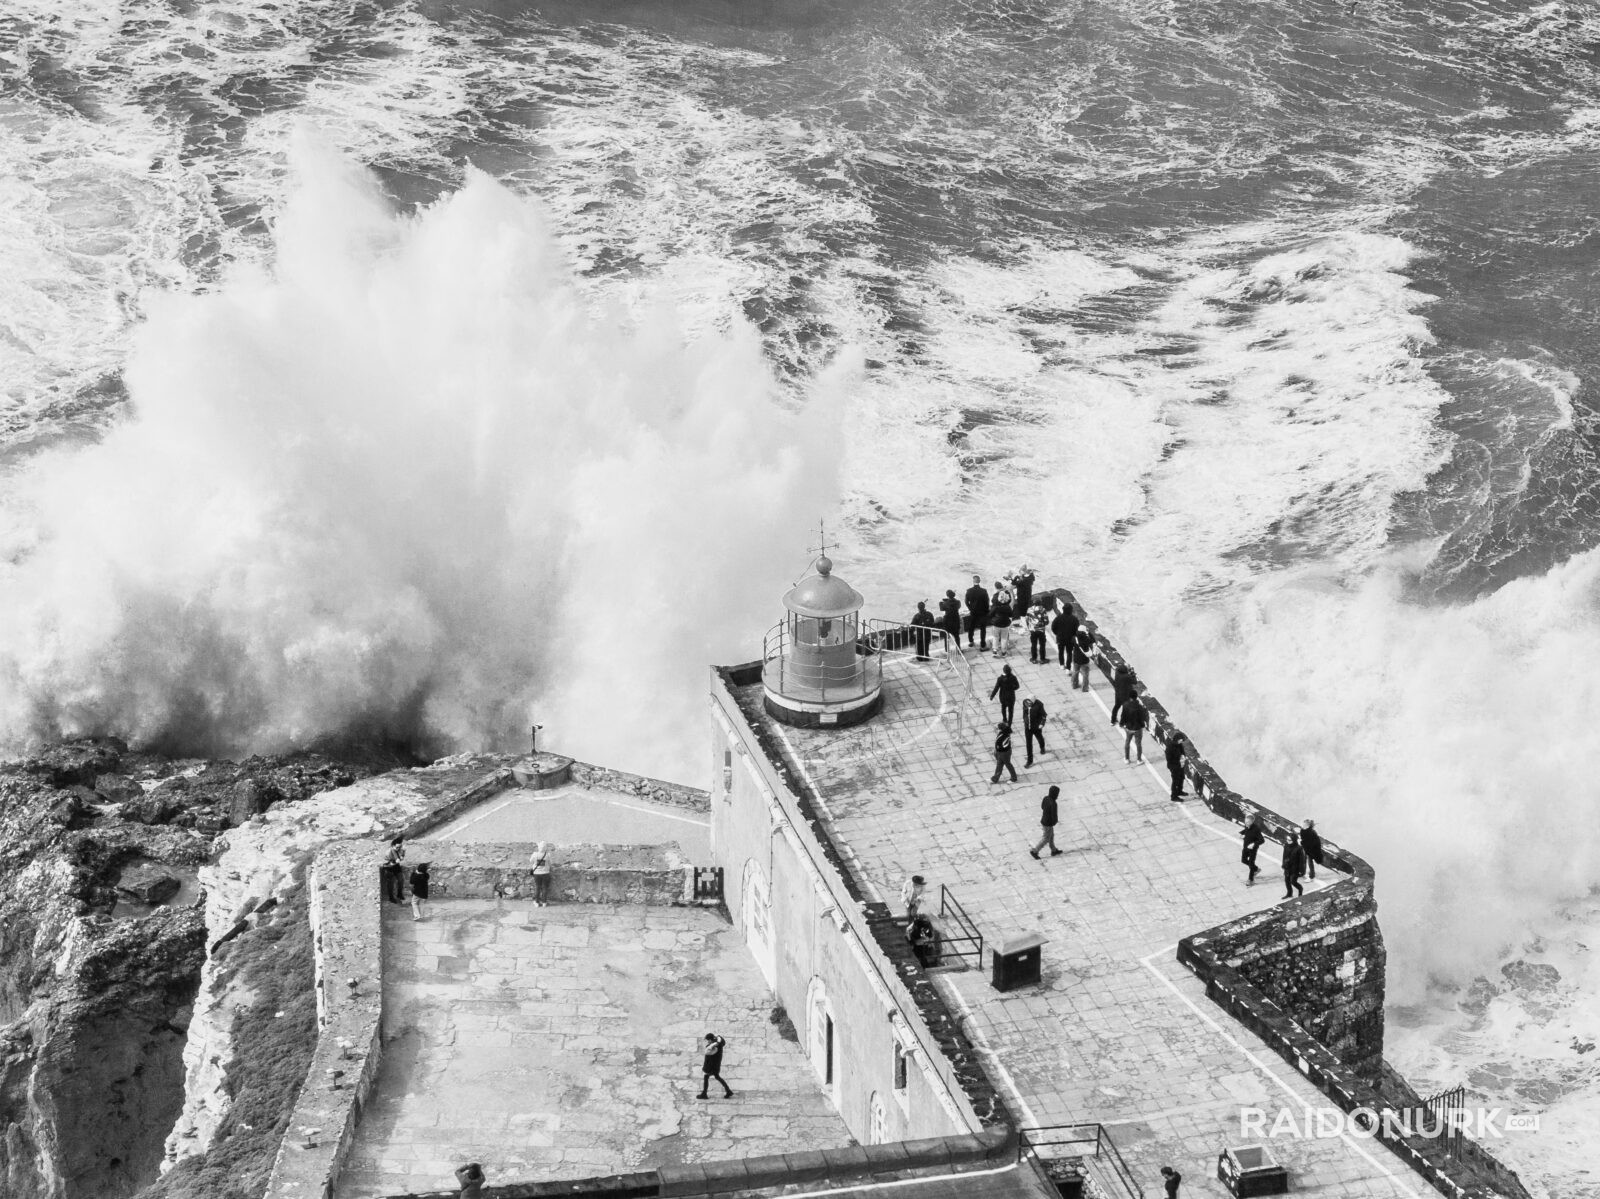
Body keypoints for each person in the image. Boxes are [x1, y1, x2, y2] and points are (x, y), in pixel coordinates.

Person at [1029, 784, 1064, 859]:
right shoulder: (1053, 803)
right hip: (1049, 823)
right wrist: (1055, 822)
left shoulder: (1046, 798)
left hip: (1044, 820)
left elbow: (1042, 807)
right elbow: (1054, 815)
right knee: (1046, 838)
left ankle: (1053, 850)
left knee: (1051, 836)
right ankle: (1035, 851)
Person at [697, 1032, 733, 1099]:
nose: (708, 1041)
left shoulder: (714, 1046)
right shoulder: (718, 1044)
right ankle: (728, 1091)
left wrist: (706, 1067)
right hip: (716, 1065)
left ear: (710, 1039)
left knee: (706, 1077)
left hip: (712, 1066)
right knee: (717, 1077)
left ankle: (704, 1094)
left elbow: (709, 1056)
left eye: (708, 1040)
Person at [1119, 691, 1148, 764]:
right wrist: (1143, 725)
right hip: (1137, 729)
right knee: (1138, 744)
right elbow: (1142, 718)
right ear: (1136, 697)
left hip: (1128, 728)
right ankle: (1139, 760)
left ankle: (1126, 759)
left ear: (1130, 697)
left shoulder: (1125, 705)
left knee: (1127, 742)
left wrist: (1121, 724)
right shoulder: (1140, 707)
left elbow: (1123, 716)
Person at [964, 575, 990, 649]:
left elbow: (966, 601)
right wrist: (986, 610)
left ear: (973, 581)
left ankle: (971, 641)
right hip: (982, 612)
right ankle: (982, 645)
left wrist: (970, 608)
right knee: (983, 629)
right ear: (979, 581)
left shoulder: (969, 591)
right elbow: (987, 602)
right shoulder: (984, 591)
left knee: (971, 627)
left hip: (973, 612)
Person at [989, 588, 1014, 657]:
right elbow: (1011, 615)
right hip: (1005, 625)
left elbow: (990, 614)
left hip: (996, 624)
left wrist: (993, 619)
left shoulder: (996, 607)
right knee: (1004, 638)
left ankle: (995, 651)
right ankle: (1003, 652)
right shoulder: (1008, 607)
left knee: (995, 637)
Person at [381, 836, 406, 905]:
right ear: (392, 846)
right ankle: (391, 897)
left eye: (400, 847)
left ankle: (399, 894)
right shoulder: (388, 852)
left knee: (401, 880)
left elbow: (401, 857)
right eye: (397, 847)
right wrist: (396, 862)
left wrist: (403, 852)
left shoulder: (400, 849)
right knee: (390, 883)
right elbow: (386, 863)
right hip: (389, 867)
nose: (398, 849)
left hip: (396, 866)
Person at [1023, 696, 1047, 767]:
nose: (1028, 703)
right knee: (1028, 744)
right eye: (1027, 701)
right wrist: (1025, 720)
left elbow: (1044, 715)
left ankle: (1042, 747)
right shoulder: (1025, 703)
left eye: (1030, 702)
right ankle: (1030, 761)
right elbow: (1024, 712)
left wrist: (1042, 724)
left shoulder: (1039, 705)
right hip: (1028, 728)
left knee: (1040, 738)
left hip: (1036, 727)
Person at [1070, 625, 1095, 691]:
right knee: (1085, 674)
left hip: (1076, 658)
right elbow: (1093, 640)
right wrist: (1089, 633)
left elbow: (1071, 645)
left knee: (1075, 672)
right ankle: (1085, 688)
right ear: (1084, 632)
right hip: (1084, 660)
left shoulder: (1074, 638)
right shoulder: (1086, 639)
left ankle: (1074, 685)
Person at [1241, 816, 1265, 886]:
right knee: (1243, 860)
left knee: (1251, 864)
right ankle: (1256, 869)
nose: (1246, 823)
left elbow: (1262, 840)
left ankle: (1250, 880)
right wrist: (1241, 833)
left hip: (1252, 850)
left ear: (1252, 822)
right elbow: (1245, 830)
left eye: (1248, 822)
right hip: (1245, 848)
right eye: (1245, 821)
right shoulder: (1247, 826)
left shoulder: (1256, 829)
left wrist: (1254, 844)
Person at [1165, 733, 1188, 801]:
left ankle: (1179, 791)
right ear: (1177, 739)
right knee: (1175, 781)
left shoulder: (1179, 745)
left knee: (1181, 778)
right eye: (1181, 740)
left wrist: (1183, 757)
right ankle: (1174, 796)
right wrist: (1179, 759)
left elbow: (1182, 752)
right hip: (1174, 766)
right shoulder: (1170, 747)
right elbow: (1169, 759)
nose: (1181, 741)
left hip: (1180, 765)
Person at [1283, 834, 1306, 899]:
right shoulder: (1286, 845)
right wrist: (1283, 864)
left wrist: (1302, 871)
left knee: (1293, 881)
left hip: (1295, 868)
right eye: (1287, 839)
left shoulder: (1299, 848)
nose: (1288, 841)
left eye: (1289, 840)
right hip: (1287, 867)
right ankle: (1289, 893)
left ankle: (1300, 889)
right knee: (1287, 881)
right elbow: (1284, 856)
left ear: (1294, 840)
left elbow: (1302, 861)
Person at [531, 842, 552, 906]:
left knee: (538, 887)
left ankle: (537, 902)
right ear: (545, 848)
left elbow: (531, 861)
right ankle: (544, 902)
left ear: (538, 847)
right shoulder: (548, 855)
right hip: (545, 873)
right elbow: (551, 863)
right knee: (545, 887)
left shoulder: (535, 854)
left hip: (537, 873)